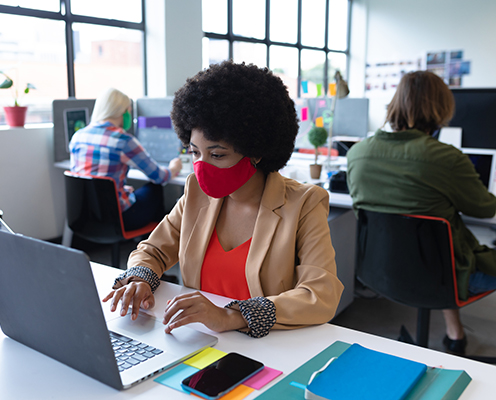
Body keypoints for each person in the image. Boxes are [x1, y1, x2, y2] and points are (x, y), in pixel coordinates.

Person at [103, 61, 344, 338]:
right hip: (196, 339)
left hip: (265, 347)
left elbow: (320, 294)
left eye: (217, 155)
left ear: (256, 151)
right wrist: (139, 278)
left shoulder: (304, 204)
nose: (202, 166)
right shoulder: (196, 192)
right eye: (194, 153)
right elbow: (154, 250)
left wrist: (232, 315)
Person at [347, 70, 496, 355]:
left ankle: (456, 335)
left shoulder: (358, 154)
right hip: (442, 274)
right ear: (441, 107)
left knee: (436, 246)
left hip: (382, 272)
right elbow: (486, 207)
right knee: (444, 253)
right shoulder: (446, 158)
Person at [69, 87, 183, 231]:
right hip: (118, 219)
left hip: (86, 216)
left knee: (132, 190)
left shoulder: (78, 136)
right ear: (122, 112)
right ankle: (154, 244)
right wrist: (174, 168)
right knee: (155, 188)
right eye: (128, 111)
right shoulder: (123, 141)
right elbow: (159, 177)